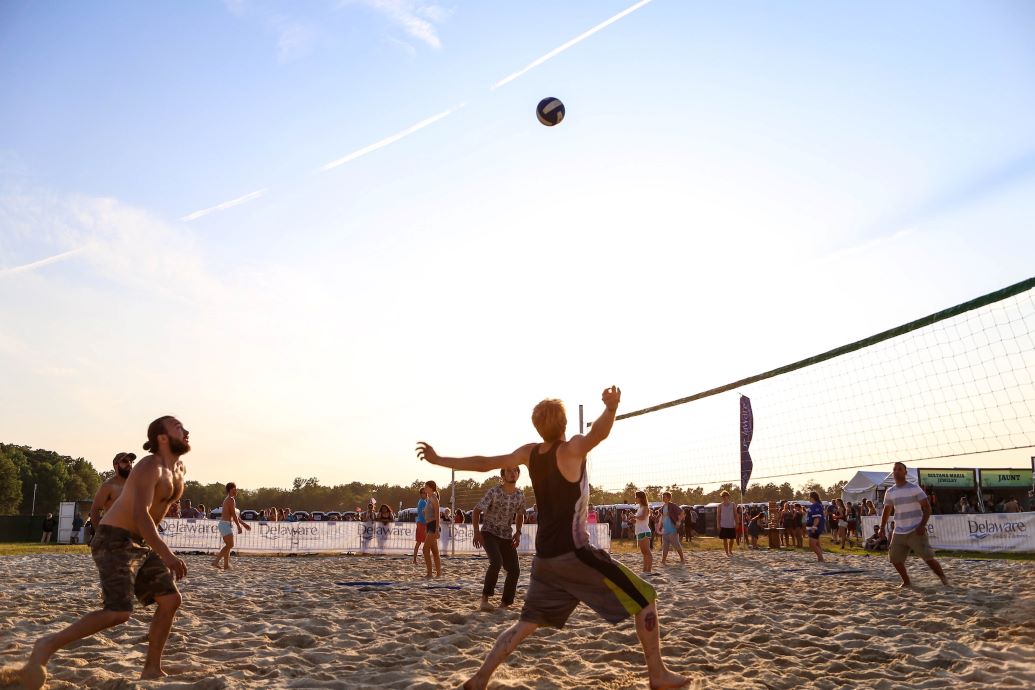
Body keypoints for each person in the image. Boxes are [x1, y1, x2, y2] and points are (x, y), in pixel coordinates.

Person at [416, 386, 688, 690]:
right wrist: (611, 408)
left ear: (538, 427)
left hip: (545, 560)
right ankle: (658, 674)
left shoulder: (529, 453)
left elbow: (484, 462)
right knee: (646, 600)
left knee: (525, 624)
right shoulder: (570, 449)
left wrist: (439, 460)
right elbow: (599, 433)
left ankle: (480, 679)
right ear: (565, 424)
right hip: (576, 555)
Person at [20, 416, 190, 689]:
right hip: (114, 538)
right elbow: (140, 513)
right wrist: (167, 553)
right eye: (178, 427)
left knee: (170, 601)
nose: (186, 431)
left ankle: (151, 669)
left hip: (140, 541)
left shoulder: (179, 468)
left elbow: (155, 514)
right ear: (161, 437)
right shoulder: (149, 466)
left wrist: (154, 549)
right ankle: (46, 645)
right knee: (117, 612)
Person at [878, 461, 949, 588]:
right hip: (899, 531)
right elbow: (887, 510)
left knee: (928, 558)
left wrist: (922, 525)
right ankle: (906, 581)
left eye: (899, 469)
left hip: (915, 530)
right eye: (894, 469)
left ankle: (943, 579)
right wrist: (882, 527)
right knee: (894, 559)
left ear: (905, 472)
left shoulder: (914, 488)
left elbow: (927, 508)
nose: (896, 471)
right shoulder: (890, 491)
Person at [473, 466, 526, 612]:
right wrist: (477, 532)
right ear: (502, 475)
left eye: (515, 470)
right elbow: (477, 510)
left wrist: (518, 532)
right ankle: (484, 599)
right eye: (509, 471)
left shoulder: (520, 495)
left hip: (506, 535)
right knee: (496, 562)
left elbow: (520, 514)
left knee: (514, 569)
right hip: (489, 532)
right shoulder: (494, 491)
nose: (512, 473)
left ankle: (505, 603)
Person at [90, 452, 137, 531]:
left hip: (134, 535)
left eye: (131, 462)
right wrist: (99, 532)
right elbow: (94, 509)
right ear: (115, 465)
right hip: (113, 535)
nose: (129, 464)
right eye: (125, 461)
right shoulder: (108, 486)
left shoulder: (136, 485)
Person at [211, 482, 251, 570]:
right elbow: (233, 515)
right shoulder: (230, 500)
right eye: (234, 489)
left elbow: (235, 516)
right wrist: (239, 526)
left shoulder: (230, 499)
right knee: (230, 545)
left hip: (226, 525)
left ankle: (225, 565)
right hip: (225, 525)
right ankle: (216, 561)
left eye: (236, 488)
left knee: (228, 546)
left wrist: (243, 524)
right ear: (230, 490)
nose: (236, 490)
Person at [422, 480, 442, 578]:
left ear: (430, 487)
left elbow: (437, 514)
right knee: (435, 552)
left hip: (434, 525)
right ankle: (438, 573)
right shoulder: (429, 498)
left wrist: (437, 529)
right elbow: (427, 514)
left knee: (425, 549)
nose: (424, 488)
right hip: (430, 525)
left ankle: (430, 573)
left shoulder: (434, 498)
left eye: (426, 487)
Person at [659, 492, 685, 565]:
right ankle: (663, 560)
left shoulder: (672, 505)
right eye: (662, 496)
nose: (663, 498)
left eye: (664, 497)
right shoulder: (663, 507)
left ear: (668, 498)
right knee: (665, 546)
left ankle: (682, 559)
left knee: (676, 545)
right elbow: (661, 517)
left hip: (672, 529)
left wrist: (678, 521)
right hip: (665, 530)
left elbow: (682, 512)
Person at [632, 491, 653, 573]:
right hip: (639, 531)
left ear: (640, 498)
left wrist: (634, 516)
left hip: (644, 531)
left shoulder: (645, 507)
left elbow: (643, 517)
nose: (635, 498)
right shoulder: (640, 508)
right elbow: (639, 519)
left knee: (647, 551)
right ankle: (645, 569)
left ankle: (649, 570)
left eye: (636, 497)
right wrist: (634, 520)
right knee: (643, 552)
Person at [806, 491, 825, 562]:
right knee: (817, 543)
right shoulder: (817, 505)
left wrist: (814, 527)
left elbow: (817, 518)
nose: (809, 498)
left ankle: (821, 558)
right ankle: (820, 558)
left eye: (809, 496)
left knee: (812, 544)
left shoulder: (815, 505)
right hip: (815, 527)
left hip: (816, 527)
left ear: (812, 497)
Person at [717, 491, 736, 556]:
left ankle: (730, 550)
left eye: (725, 496)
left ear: (728, 496)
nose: (724, 497)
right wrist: (718, 524)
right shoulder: (720, 505)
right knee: (724, 539)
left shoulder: (733, 504)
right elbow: (718, 516)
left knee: (732, 539)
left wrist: (737, 523)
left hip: (731, 524)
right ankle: (727, 552)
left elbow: (735, 514)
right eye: (723, 496)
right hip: (723, 524)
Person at [413, 485, 428, 565]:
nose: (425, 494)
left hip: (420, 523)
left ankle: (415, 559)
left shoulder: (421, 501)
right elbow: (424, 513)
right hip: (422, 523)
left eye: (426, 493)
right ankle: (424, 559)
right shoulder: (423, 502)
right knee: (426, 542)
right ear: (421, 494)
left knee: (419, 542)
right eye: (424, 493)